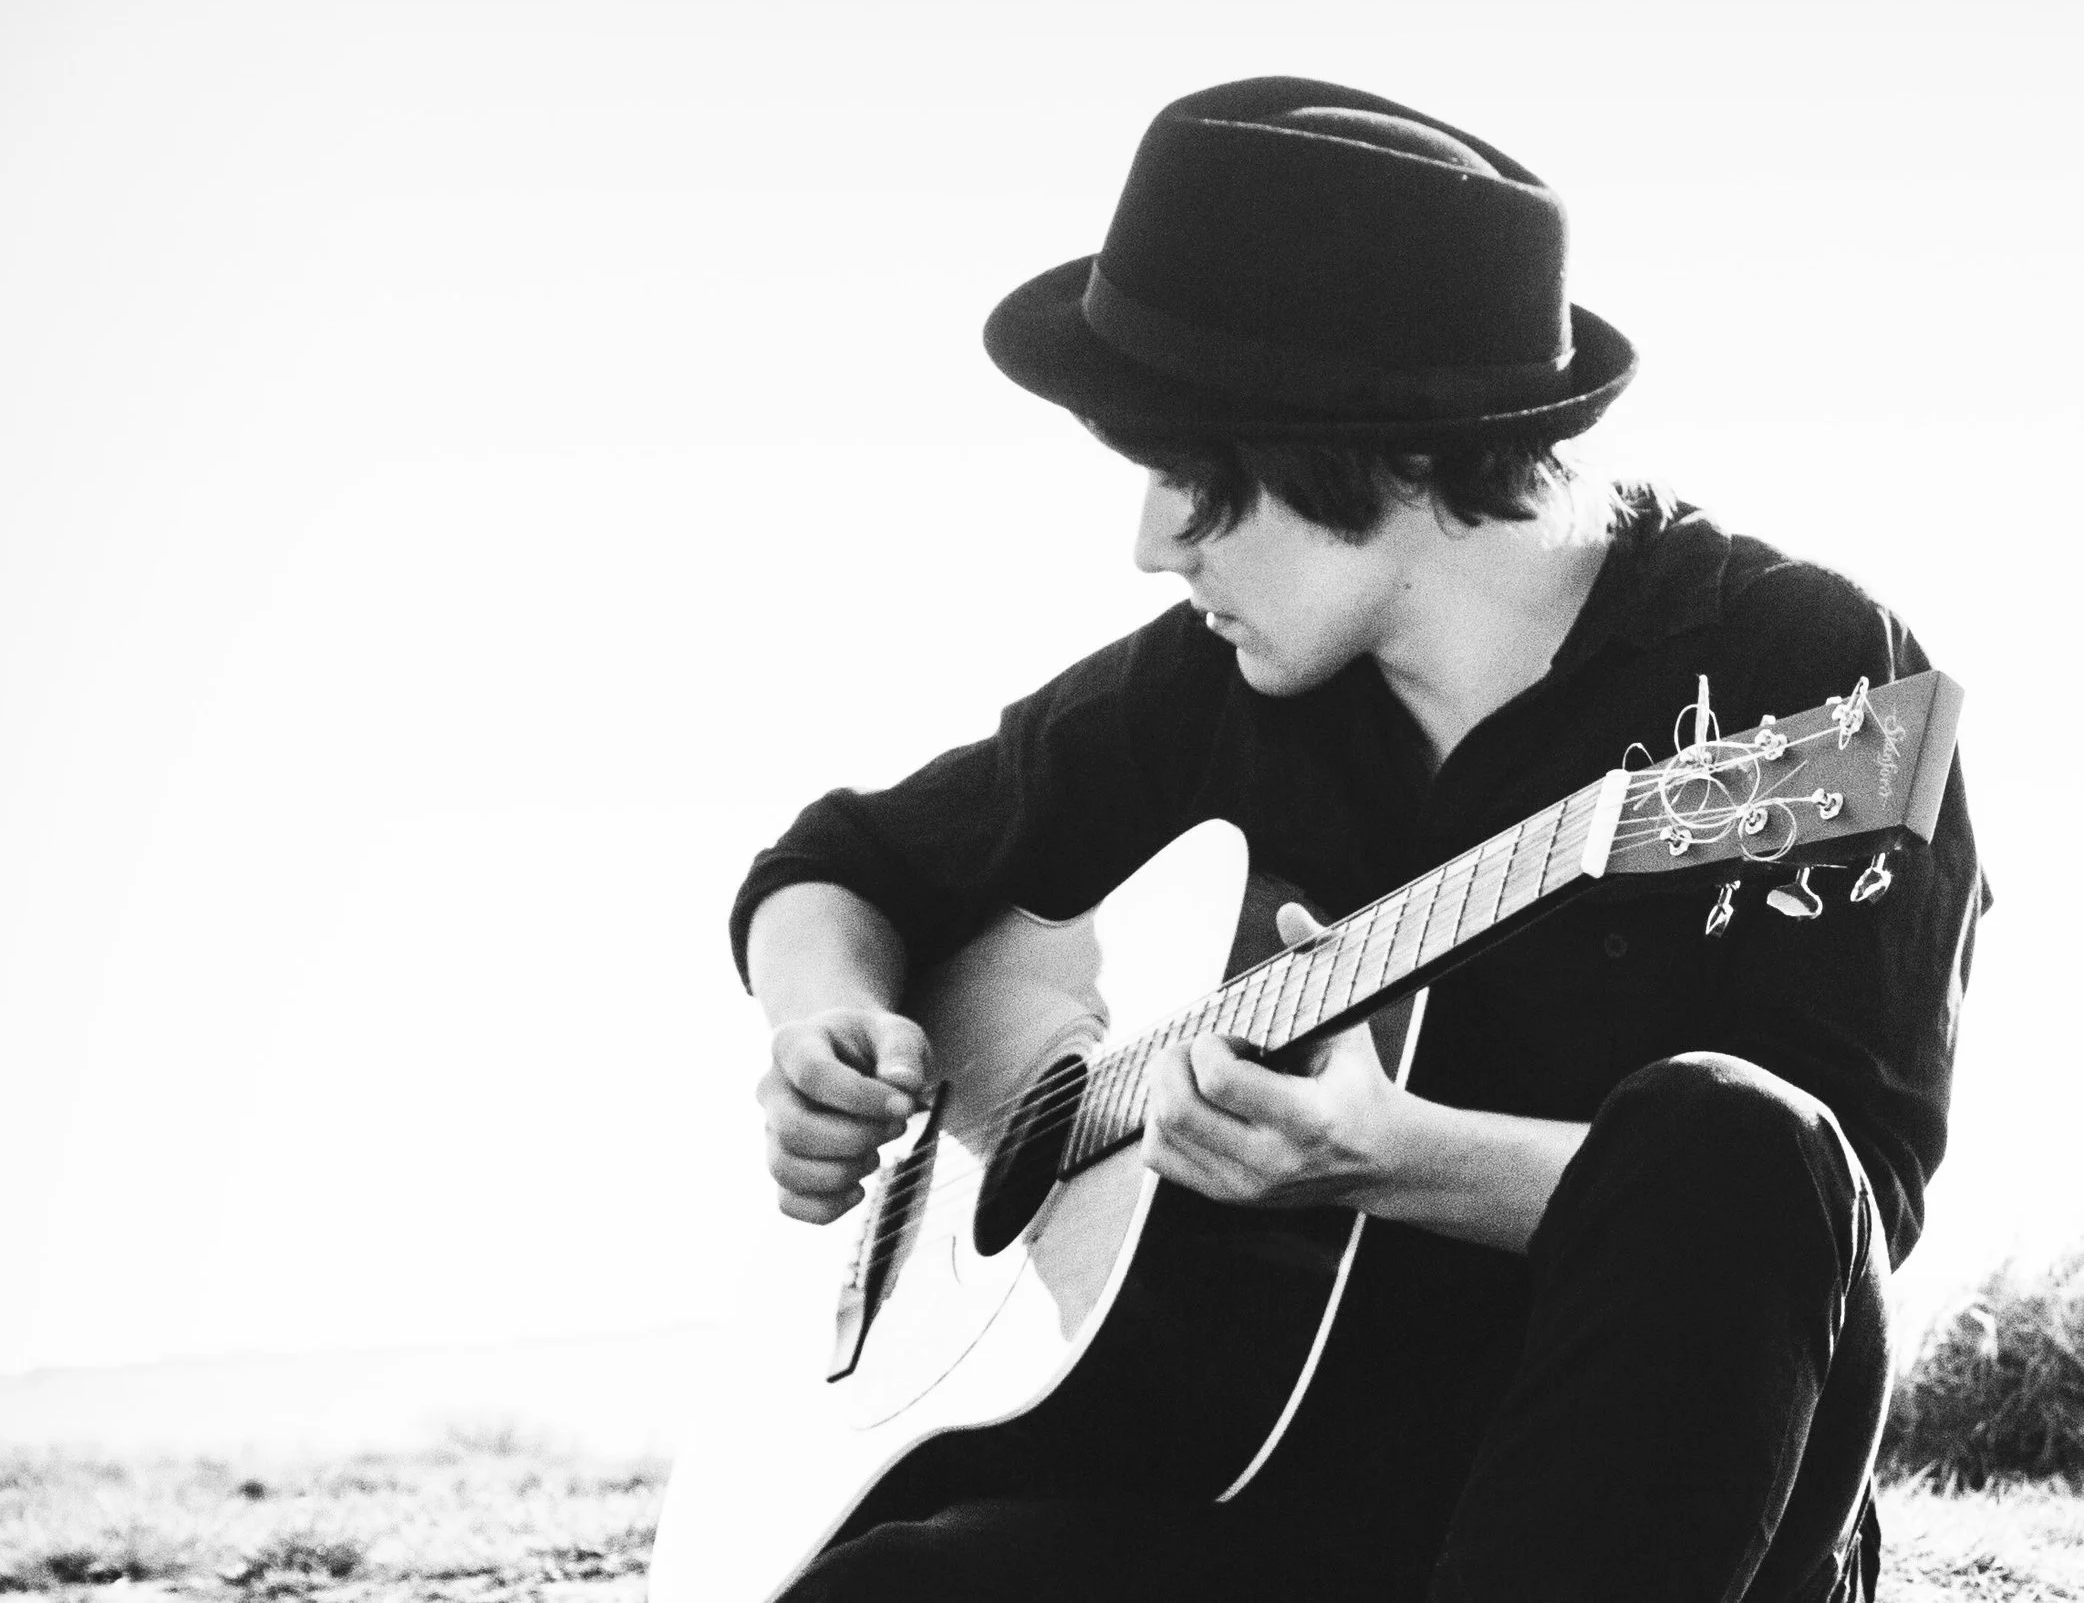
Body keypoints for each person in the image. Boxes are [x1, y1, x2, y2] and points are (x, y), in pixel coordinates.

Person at [727, 78, 1988, 1602]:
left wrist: (1393, 1162)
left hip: (1657, 1516)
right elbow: (838, 865)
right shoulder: (1209, 687)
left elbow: (1820, 1216)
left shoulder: (1805, 681)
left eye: (1193, 476)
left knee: (1731, 1131)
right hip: (1262, 1498)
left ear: (1381, 449)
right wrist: (824, 1025)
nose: (1151, 541)